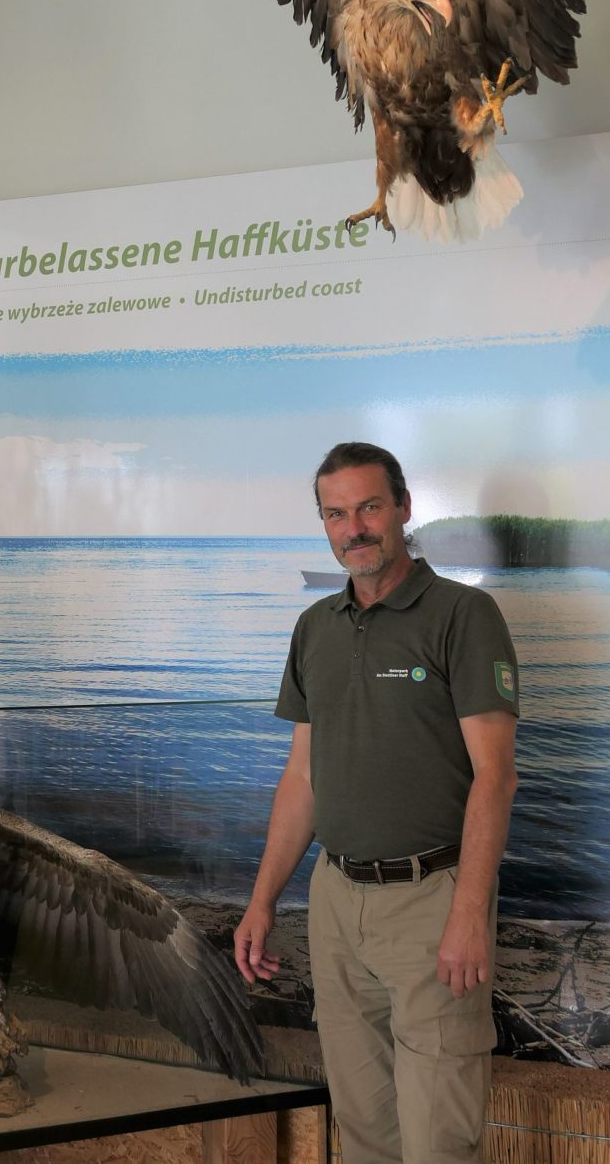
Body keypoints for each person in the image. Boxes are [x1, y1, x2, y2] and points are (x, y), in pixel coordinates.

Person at [234, 442, 519, 1164]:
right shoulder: (315, 628)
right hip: (335, 900)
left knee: (437, 1145)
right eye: (336, 513)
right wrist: (264, 901)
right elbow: (302, 778)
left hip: (432, 900)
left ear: (403, 509)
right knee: (361, 1134)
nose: (352, 528)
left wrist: (467, 912)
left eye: (368, 507)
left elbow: (496, 777)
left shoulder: (464, 614)